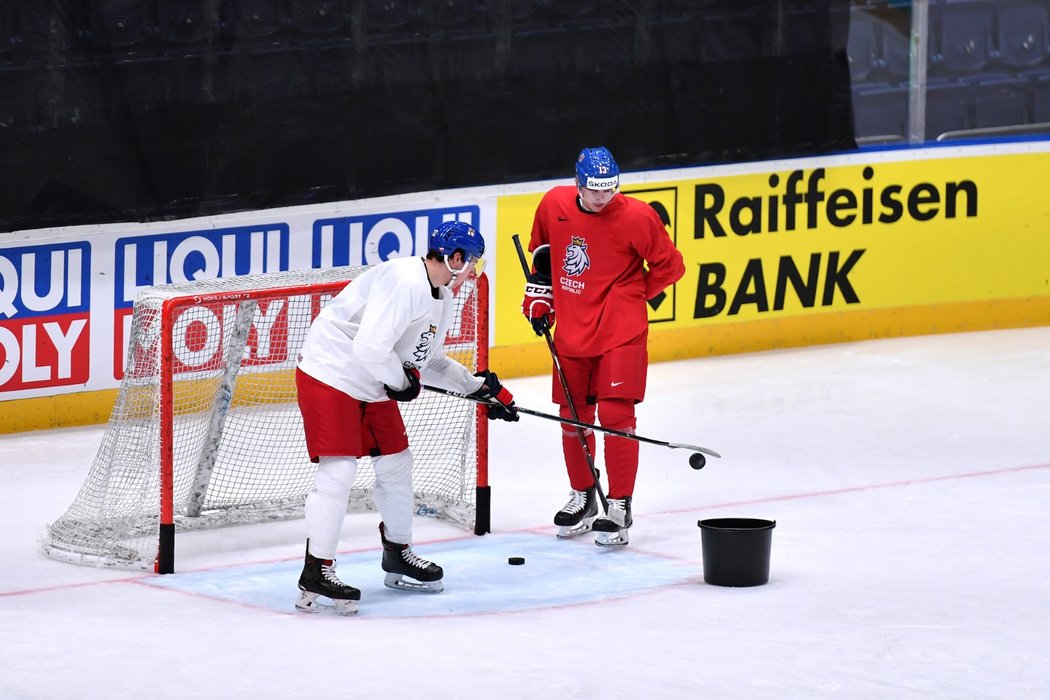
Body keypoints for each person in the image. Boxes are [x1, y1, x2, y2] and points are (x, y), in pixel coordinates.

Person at [294, 221, 518, 615]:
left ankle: (397, 552)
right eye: (473, 265)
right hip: (331, 371)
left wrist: (478, 388)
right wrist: (400, 382)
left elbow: (425, 360)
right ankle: (317, 570)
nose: (473, 274)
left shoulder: (441, 296)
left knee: (397, 462)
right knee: (340, 470)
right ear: (455, 258)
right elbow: (369, 349)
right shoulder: (404, 282)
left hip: (372, 377)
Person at [522, 146, 685, 547]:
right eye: (594, 191)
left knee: (615, 415)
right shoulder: (553, 205)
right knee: (572, 415)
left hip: (621, 330)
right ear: (578, 184)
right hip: (573, 329)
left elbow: (672, 266)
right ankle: (583, 496)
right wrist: (540, 297)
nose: (602, 198)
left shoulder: (637, 216)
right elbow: (544, 258)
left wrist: (632, 295)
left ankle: (619, 504)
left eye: (609, 190)